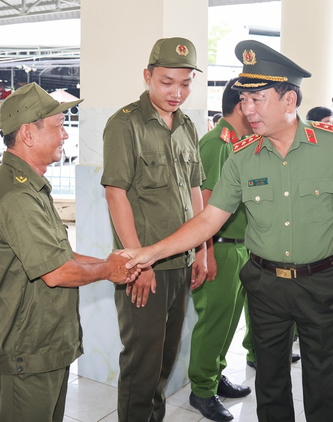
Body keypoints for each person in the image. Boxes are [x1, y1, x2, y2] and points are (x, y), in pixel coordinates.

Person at [122, 40, 333, 422]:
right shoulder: (242, 156)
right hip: (265, 284)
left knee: (322, 381)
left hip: (322, 281)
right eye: (243, 99)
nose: (247, 109)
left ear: (289, 100)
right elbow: (209, 219)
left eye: (257, 99)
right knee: (270, 383)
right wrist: (151, 252)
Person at [0, 82, 137, 422]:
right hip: (25, 355)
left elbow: (62, 256)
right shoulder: (17, 196)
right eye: (59, 126)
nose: (65, 135)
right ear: (28, 135)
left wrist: (117, 261)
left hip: (42, 350)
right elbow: (58, 272)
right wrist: (108, 270)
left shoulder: (29, 186)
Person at [101, 37, 207, 422]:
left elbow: (196, 190)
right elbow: (116, 195)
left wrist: (203, 250)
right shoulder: (125, 123)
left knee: (164, 361)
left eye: (185, 83)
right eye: (166, 82)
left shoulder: (187, 127)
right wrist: (138, 263)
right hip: (145, 269)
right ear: (147, 76)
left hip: (180, 263)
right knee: (142, 366)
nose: (177, 92)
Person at [188, 77, 254, 421]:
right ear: (241, 105)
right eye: (252, 101)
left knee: (228, 324)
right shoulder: (218, 144)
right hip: (222, 249)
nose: (257, 108)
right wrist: (207, 253)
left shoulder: (240, 142)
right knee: (213, 322)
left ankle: (215, 374)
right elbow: (205, 205)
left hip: (240, 248)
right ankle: (201, 390)